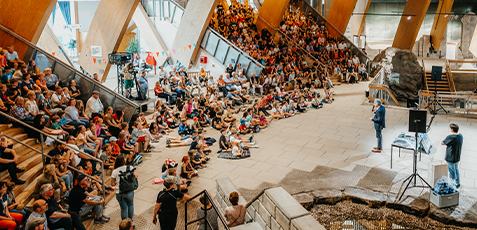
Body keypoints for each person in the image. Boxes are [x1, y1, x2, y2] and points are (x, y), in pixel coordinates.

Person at [111, 155, 137, 221]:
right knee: (130, 205)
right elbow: (136, 176)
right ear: (124, 161)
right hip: (130, 191)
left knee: (123, 208)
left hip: (120, 192)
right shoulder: (130, 167)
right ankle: (130, 221)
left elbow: (112, 184)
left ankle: (124, 223)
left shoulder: (115, 171)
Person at [441, 123, 463, 188]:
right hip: (457, 156)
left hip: (451, 157)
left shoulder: (450, 137)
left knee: (451, 172)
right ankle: (457, 183)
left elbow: (442, 143)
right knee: (456, 169)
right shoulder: (460, 136)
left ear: (452, 130)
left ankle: (452, 185)